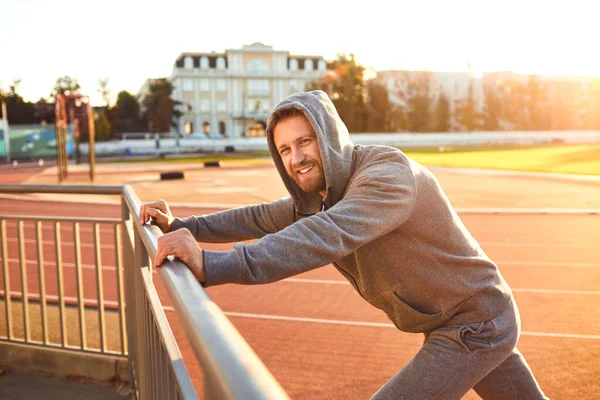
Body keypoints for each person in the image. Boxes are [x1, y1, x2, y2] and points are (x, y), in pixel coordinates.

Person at [140, 90, 548, 399]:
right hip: (451, 318)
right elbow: (261, 217)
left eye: (305, 142)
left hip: (475, 325)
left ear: (330, 136)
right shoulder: (324, 191)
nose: (296, 157)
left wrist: (212, 266)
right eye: (284, 149)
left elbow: (325, 234)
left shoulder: (386, 178)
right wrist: (182, 224)